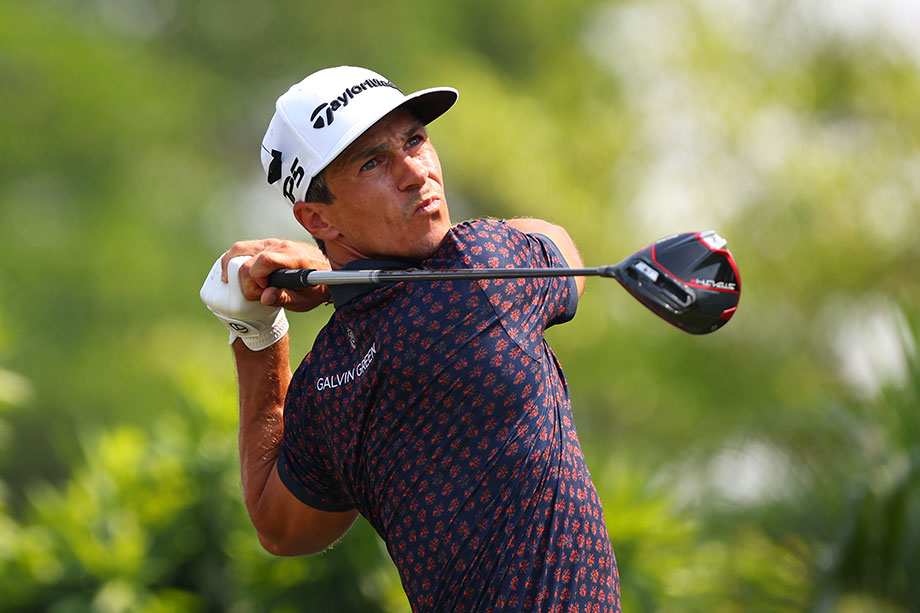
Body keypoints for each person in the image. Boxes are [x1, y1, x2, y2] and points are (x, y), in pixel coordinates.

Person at [200, 66, 620, 611]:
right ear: (317, 220)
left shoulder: (326, 380)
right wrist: (330, 275)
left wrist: (256, 334)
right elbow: (556, 241)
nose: (415, 173)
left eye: (415, 140)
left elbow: (279, 528)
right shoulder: (481, 270)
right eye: (373, 162)